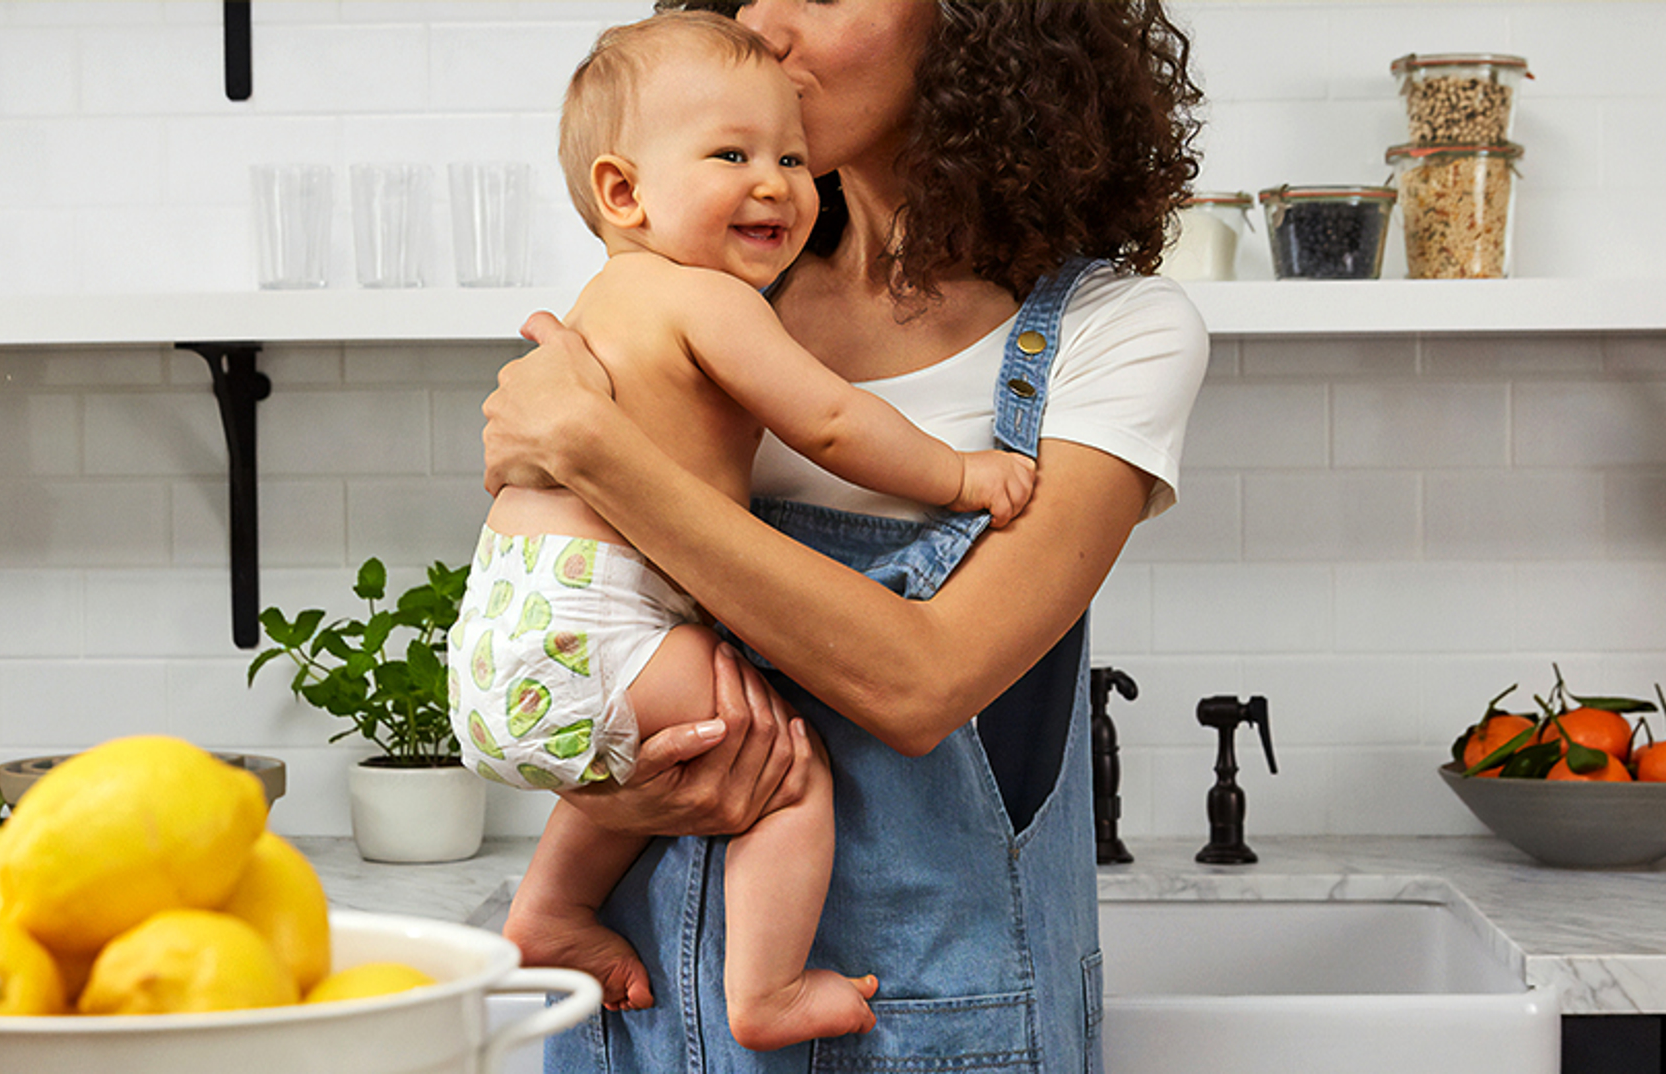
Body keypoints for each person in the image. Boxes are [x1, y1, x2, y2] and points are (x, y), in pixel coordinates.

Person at [482, 1, 1208, 1068]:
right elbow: (583, 615)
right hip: (638, 1017)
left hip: (915, 1031)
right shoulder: (709, 290)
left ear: (980, 28)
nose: (765, 23)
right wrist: (618, 780)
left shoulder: (1116, 336)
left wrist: (603, 454)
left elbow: (921, 684)